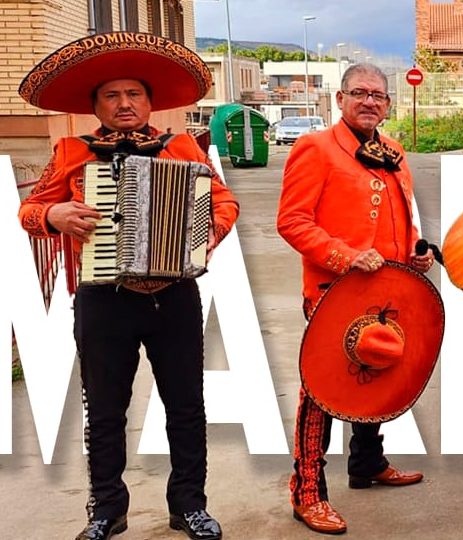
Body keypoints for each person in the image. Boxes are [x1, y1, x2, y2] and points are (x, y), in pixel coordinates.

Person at [16, 33, 237, 540]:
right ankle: (106, 511)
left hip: (173, 295)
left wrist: (207, 233)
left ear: (149, 102)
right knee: (104, 411)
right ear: (95, 106)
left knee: (186, 406)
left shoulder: (181, 146)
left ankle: (189, 506)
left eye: (133, 94)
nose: (124, 104)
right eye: (111, 95)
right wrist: (54, 214)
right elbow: (29, 210)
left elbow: (223, 202)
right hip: (102, 298)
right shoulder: (72, 151)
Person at [277, 63, 434, 535]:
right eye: (360, 93)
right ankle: (306, 490)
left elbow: (403, 218)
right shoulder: (316, 148)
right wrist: (345, 257)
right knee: (322, 390)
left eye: (378, 95)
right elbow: (292, 221)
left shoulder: (394, 152)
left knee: (379, 376)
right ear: (340, 99)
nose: (369, 101)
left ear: (387, 105)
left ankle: (367, 462)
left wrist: (415, 252)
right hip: (334, 292)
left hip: (389, 291)